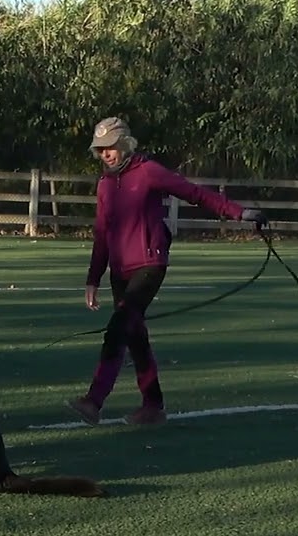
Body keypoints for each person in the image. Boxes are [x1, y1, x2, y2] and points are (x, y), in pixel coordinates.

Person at [66, 116, 267, 426]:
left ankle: (94, 400)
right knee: (135, 337)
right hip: (120, 271)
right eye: (100, 149)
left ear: (124, 145)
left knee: (118, 328)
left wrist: (240, 213)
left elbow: (195, 194)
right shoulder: (105, 185)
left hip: (149, 264)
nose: (105, 154)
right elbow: (102, 234)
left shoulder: (148, 172)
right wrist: (93, 278)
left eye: (110, 148)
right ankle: (153, 406)